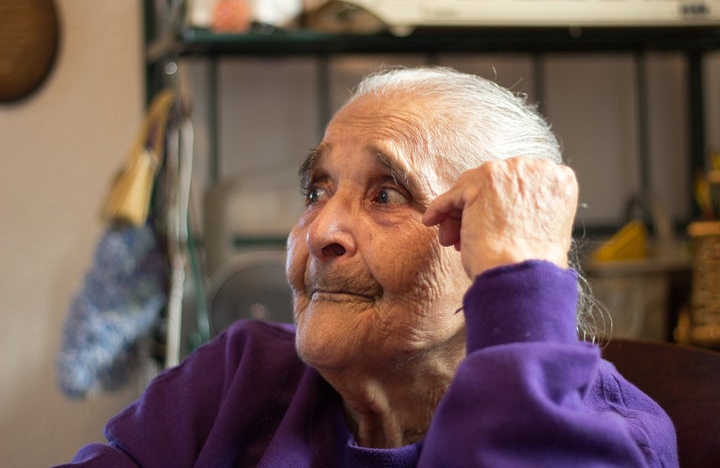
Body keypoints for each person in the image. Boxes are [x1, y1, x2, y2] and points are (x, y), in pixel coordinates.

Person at [55, 66, 677, 467]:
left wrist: (520, 287)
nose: (320, 231)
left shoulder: (613, 437)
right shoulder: (238, 379)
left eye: (387, 195)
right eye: (317, 190)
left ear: (503, 247)